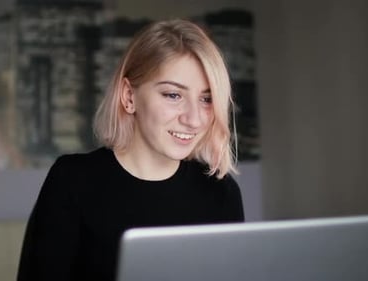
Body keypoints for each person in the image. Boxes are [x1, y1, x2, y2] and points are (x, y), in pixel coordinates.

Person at [17, 19, 245, 281]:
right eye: (173, 95)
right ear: (129, 97)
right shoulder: (72, 181)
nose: (194, 119)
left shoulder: (221, 192)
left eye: (206, 99)